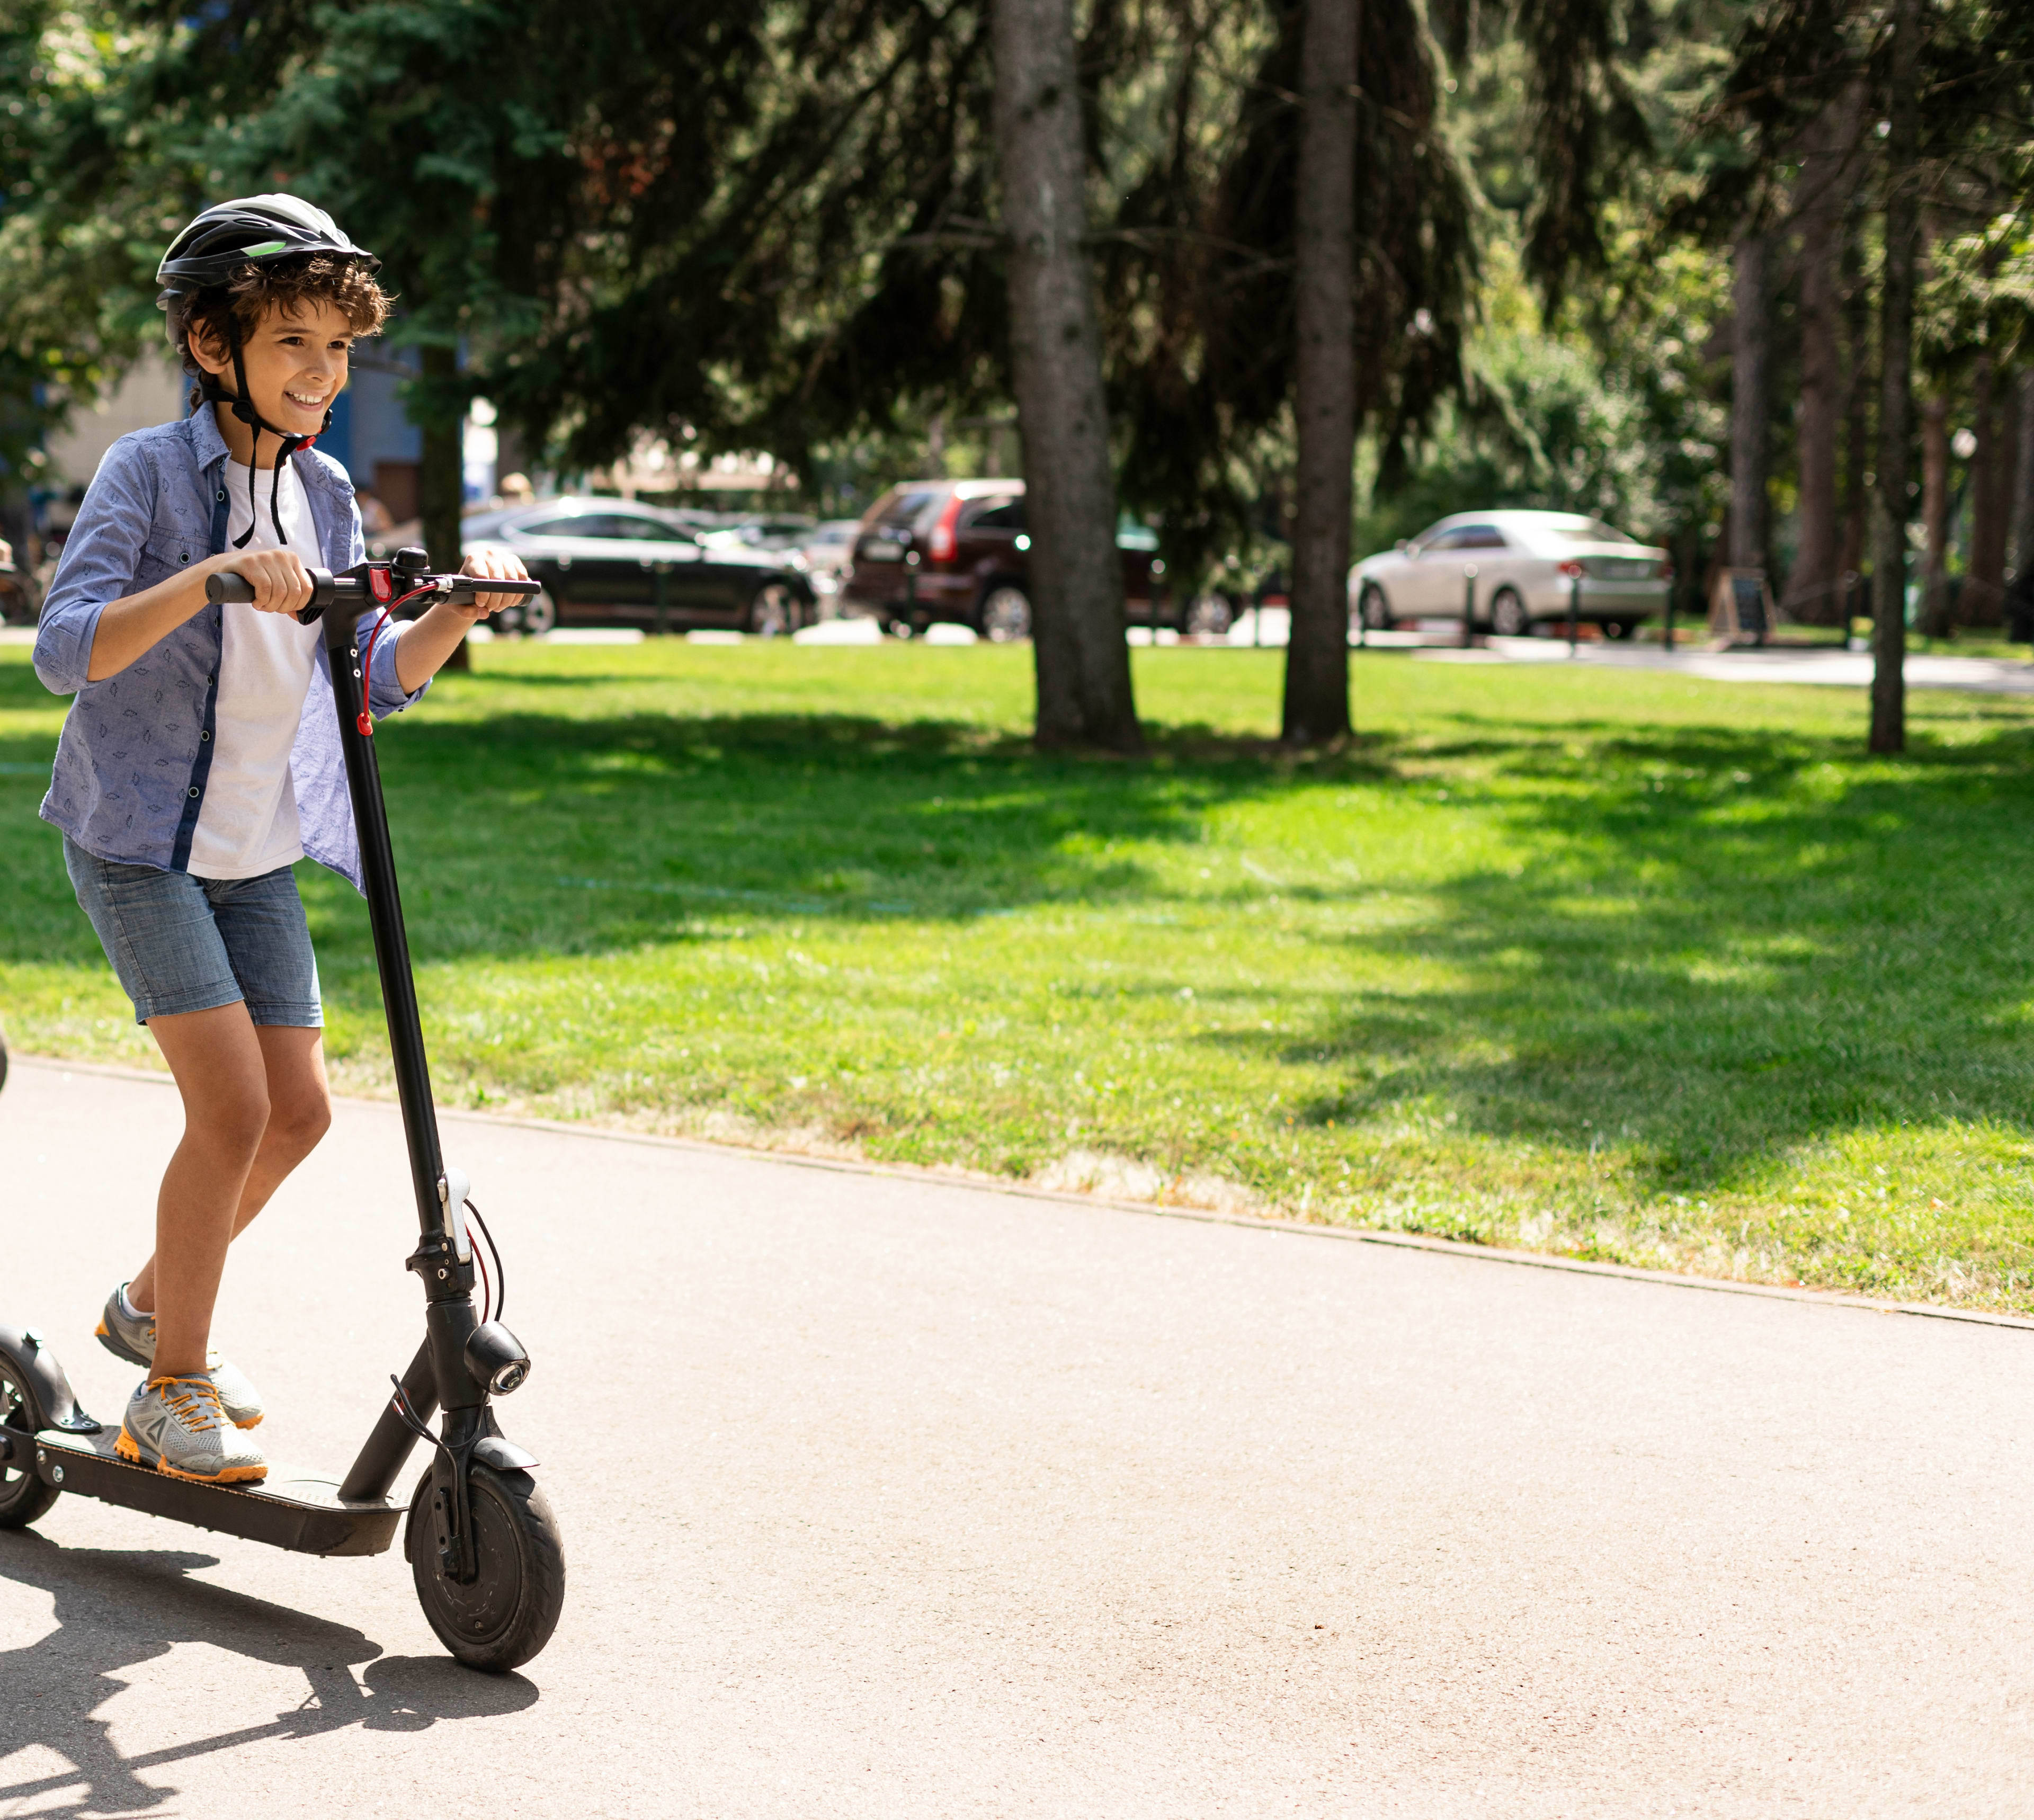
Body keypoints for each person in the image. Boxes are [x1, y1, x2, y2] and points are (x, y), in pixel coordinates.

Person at [32, 194, 528, 1485]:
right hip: (140, 837)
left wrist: (457, 614)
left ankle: (150, 1305)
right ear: (214, 347)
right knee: (233, 1103)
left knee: (299, 1111)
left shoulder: (323, 490)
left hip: (253, 842)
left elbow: (366, 674)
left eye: (338, 349)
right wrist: (210, 577)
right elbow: (62, 646)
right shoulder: (148, 472)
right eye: (292, 343)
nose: (321, 374)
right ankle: (172, 1384)